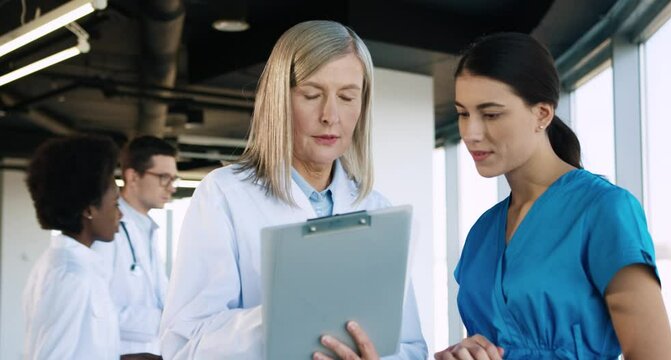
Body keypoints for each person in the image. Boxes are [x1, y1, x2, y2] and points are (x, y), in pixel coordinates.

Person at [159, 20, 427, 359]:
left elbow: (412, 348)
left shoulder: (377, 209)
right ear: (279, 99)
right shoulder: (224, 196)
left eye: (347, 97)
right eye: (312, 95)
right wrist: (284, 319)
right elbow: (182, 347)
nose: (330, 115)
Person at [435, 33, 671, 360]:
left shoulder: (604, 211)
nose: (471, 133)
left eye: (490, 114)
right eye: (463, 114)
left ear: (543, 114)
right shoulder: (481, 233)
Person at [23, 135, 161, 359]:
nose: (121, 213)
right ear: (89, 210)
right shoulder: (70, 276)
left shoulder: (77, 266)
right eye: (115, 203)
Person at [92, 135, 178, 355]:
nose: (172, 187)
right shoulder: (107, 229)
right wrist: (167, 319)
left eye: (174, 179)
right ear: (132, 177)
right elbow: (97, 310)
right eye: (164, 177)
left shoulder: (146, 228)